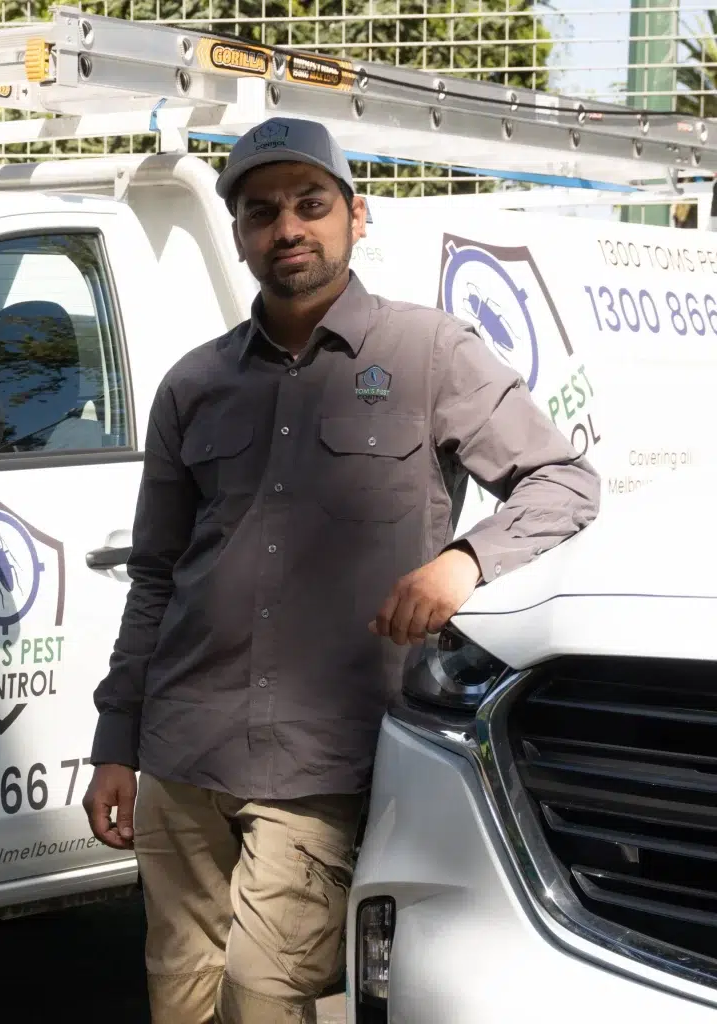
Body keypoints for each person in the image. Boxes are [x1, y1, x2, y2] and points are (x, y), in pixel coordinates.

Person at [81, 117, 600, 1024]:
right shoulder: (193, 386)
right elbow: (157, 574)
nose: (288, 228)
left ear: (356, 216)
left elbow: (563, 482)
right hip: (182, 753)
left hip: (323, 762)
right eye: (261, 211)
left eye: (310, 204)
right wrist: (116, 742)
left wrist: (463, 565)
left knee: (264, 999)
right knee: (181, 1000)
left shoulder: (430, 354)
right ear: (239, 235)